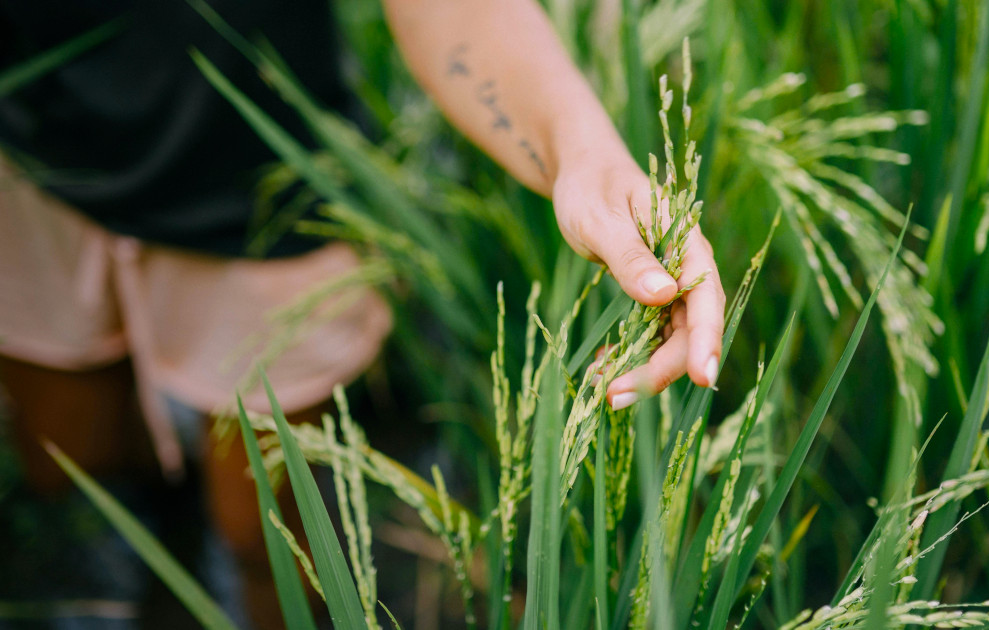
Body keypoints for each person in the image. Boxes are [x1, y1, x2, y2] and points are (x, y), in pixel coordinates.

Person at [0, 0, 724, 627]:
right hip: (31, 170)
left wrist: (583, 156)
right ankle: (161, 524)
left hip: (265, 200)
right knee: (69, 461)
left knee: (269, 538)